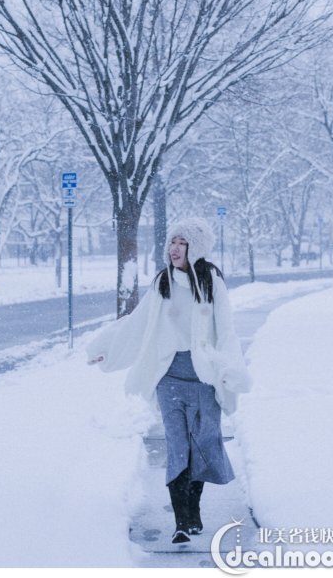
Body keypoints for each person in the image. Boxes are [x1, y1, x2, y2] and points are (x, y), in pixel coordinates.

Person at [86, 217, 251, 545]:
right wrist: (106, 348)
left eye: (182, 243)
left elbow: (227, 331)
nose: (174, 249)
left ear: (196, 247)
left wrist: (231, 368)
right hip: (169, 378)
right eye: (172, 242)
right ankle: (181, 520)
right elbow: (137, 324)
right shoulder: (162, 282)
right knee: (177, 445)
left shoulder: (210, 281)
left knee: (201, 445)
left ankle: (194, 508)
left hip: (204, 379)